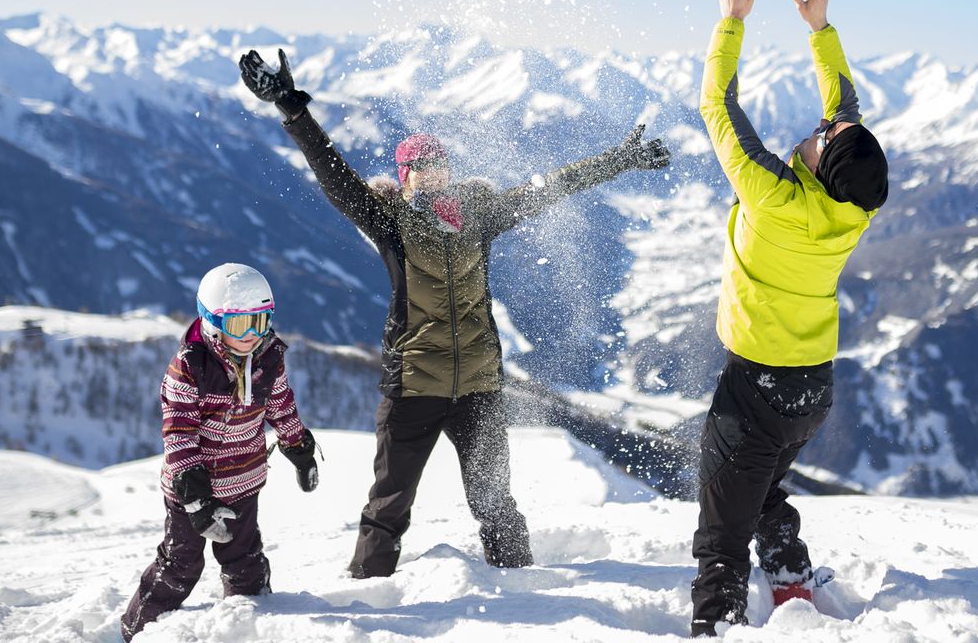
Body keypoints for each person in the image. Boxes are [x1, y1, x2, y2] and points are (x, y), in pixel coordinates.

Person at [238, 47, 671, 577]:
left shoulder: (477, 213)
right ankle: (370, 596)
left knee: (495, 504)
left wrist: (616, 161)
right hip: (415, 385)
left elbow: (547, 188)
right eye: (419, 166)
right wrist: (292, 109)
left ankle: (523, 591)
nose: (432, 172)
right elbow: (335, 177)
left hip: (478, 387)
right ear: (405, 176)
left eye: (438, 161)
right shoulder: (388, 218)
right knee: (388, 505)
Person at [690, 0, 888, 637]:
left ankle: (713, 625)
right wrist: (820, 30)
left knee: (720, 528)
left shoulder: (772, 192)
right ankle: (792, 587)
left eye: (822, 137)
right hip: (811, 393)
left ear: (820, 165)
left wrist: (732, 22)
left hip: (757, 389)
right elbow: (848, 113)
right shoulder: (852, 209)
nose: (821, 125)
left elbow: (717, 106)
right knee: (761, 487)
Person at [121, 263, 319, 642]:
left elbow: (281, 404)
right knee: (180, 563)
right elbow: (178, 431)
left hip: (244, 480)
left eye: (260, 322)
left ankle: (249, 625)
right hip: (193, 489)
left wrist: (298, 445)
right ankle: (138, 631)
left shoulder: (268, 357)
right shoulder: (190, 366)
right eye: (240, 325)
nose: (252, 336)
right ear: (213, 321)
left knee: (244, 560)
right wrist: (195, 496)